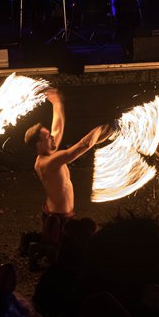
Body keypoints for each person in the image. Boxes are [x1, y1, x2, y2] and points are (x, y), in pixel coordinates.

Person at [23, 89, 112, 249]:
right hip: (59, 217)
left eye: (49, 134)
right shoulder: (48, 162)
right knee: (64, 252)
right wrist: (105, 127)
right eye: (47, 137)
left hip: (55, 211)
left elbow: (57, 127)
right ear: (38, 144)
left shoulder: (47, 152)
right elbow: (82, 146)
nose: (52, 136)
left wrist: (56, 102)